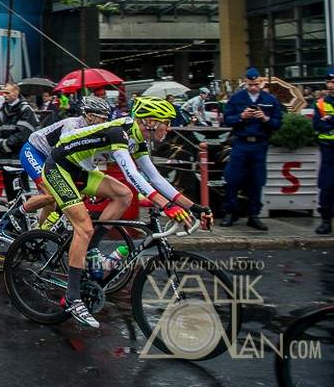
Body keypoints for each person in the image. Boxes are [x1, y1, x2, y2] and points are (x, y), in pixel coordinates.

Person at [41, 97, 209, 328]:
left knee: (124, 195)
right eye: (166, 122)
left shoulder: (137, 139)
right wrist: (166, 205)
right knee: (84, 228)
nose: (169, 128)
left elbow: (156, 178)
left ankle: (91, 249)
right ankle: (72, 298)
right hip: (58, 168)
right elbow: (132, 174)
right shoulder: (119, 132)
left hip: (79, 171)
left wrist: (195, 207)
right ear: (150, 122)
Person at [7, 95, 112, 231]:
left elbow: (88, 159)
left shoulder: (90, 131)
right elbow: (66, 157)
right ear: (90, 116)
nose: (105, 122)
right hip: (33, 151)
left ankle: (39, 234)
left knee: (52, 204)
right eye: (103, 118)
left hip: (49, 158)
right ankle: (17, 213)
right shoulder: (72, 127)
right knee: (51, 195)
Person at [221, 68, 284, 230]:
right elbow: (226, 119)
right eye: (250, 84)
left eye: (256, 84)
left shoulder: (270, 99)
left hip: (260, 144)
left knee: (257, 180)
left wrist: (265, 118)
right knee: (232, 178)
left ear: (261, 83)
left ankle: (253, 215)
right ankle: (230, 212)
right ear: (245, 82)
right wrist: (241, 116)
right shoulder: (237, 98)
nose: (253, 87)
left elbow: (278, 123)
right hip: (241, 142)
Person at [0, 82, 38, 159]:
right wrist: (2, 145)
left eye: (7, 93)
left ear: (16, 92)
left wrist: (4, 145)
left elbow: (22, 134)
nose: (4, 95)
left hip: (20, 157)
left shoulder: (25, 110)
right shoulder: (2, 110)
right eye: (3, 93)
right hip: (4, 159)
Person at [313, 70, 334, 235]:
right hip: (328, 149)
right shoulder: (320, 104)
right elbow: (318, 125)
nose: (331, 85)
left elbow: (326, 123)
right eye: (329, 82)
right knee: (326, 185)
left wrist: (330, 120)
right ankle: (326, 220)